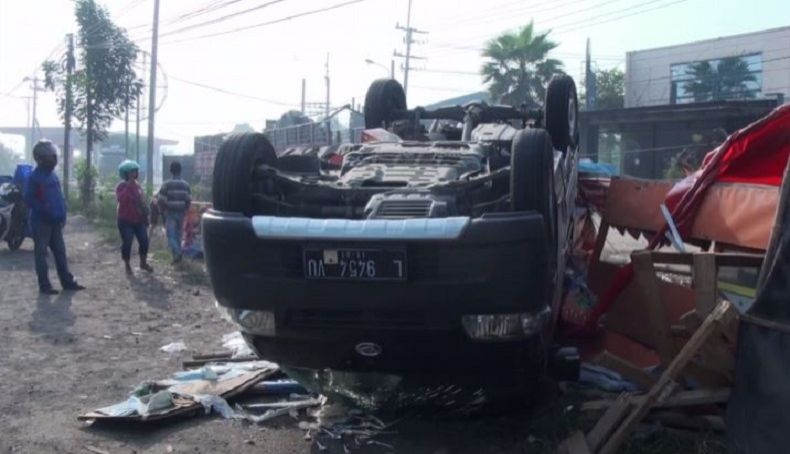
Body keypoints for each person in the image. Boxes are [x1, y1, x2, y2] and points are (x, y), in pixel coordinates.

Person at [24, 139, 85, 295]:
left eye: (53, 155)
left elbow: (58, 196)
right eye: (50, 156)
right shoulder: (34, 177)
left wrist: (63, 210)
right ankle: (44, 285)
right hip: (41, 222)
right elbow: (28, 198)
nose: (54, 158)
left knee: (60, 253)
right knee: (41, 254)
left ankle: (67, 282)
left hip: (56, 221)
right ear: (41, 158)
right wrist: (44, 208)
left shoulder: (53, 175)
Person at [116, 160, 153, 274]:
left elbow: (142, 202)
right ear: (126, 173)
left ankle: (143, 262)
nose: (134, 174)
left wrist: (146, 217)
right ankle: (127, 264)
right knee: (127, 242)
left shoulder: (138, 186)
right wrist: (128, 187)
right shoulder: (121, 186)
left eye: (135, 171)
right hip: (125, 220)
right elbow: (121, 199)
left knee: (144, 241)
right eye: (132, 172)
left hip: (138, 220)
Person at [157, 161, 191, 263]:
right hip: (181, 213)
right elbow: (188, 200)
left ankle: (178, 252)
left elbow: (161, 200)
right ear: (180, 171)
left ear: (171, 171)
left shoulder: (166, 184)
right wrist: (185, 210)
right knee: (178, 235)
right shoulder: (186, 185)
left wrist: (162, 212)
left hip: (170, 213)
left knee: (170, 235)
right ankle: (176, 258)